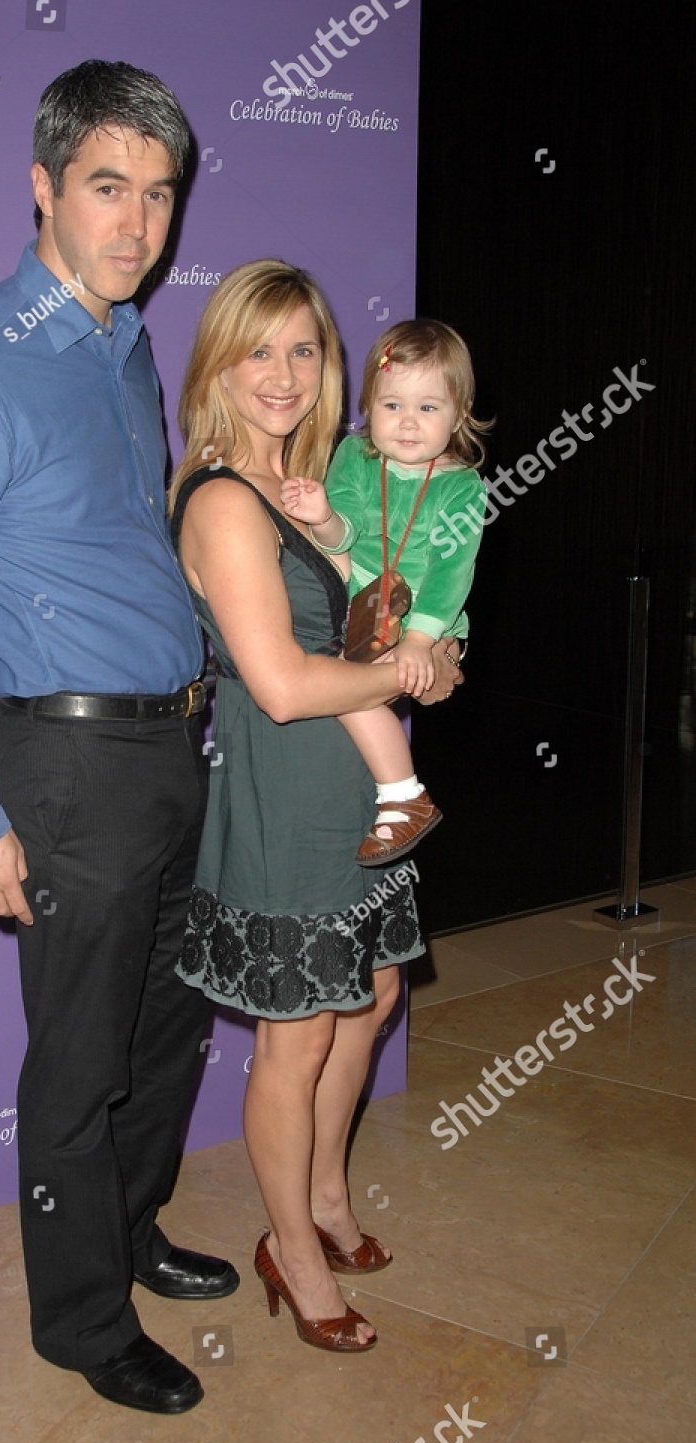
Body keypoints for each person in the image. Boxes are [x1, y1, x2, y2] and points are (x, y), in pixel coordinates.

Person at [0, 60, 239, 1418]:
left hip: (166, 753)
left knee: (163, 1031)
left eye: (158, 195)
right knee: (81, 1061)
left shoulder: (127, 346)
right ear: (41, 188)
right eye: (106, 189)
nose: (137, 225)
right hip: (64, 766)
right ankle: (80, 1321)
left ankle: (129, 1233)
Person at [170, 261, 462, 1352]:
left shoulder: (335, 482)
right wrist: (398, 679)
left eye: (306, 349)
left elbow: (388, 615)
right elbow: (286, 685)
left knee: (373, 998)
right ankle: (289, 1250)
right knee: (294, 1042)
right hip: (284, 791)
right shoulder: (222, 499)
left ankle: (329, 1198)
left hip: (357, 791)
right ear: (219, 366)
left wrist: (438, 650)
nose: (284, 374)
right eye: (260, 350)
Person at [281, 319, 490, 864]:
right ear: (368, 405)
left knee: (352, 691)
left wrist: (421, 640)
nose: (408, 424)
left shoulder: (462, 486)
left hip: (425, 618)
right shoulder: (356, 457)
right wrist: (321, 514)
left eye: (429, 408)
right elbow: (343, 533)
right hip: (357, 606)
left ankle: (404, 794)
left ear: (459, 414)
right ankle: (386, 796)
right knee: (335, 686)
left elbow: (451, 573)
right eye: (392, 405)